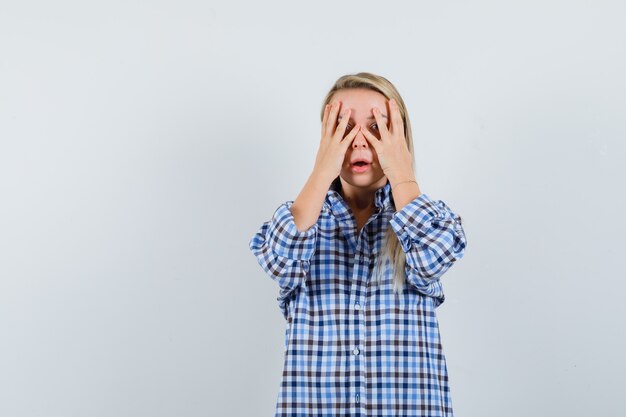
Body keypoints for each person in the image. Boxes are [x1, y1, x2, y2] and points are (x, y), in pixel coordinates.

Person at [249, 72, 467, 416]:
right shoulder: (305, 222)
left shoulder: (427, 219)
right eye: (344, 128)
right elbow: (277, 259)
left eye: (378, 128)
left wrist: (401, 172)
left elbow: (432, 257)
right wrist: (322, 170)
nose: (360, 141)